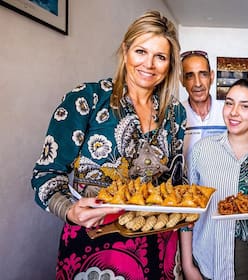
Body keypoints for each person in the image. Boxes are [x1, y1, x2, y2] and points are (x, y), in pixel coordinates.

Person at [31, 10, 186, 279]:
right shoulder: (87, 99)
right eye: (141, 51)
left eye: (160, 57)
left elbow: (174, 183)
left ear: (170, 64)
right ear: (125, 50)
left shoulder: (175, 112)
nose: (149, 64)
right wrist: (69, 211)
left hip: (159, 246)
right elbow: (46, 174)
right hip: (95, 244)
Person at [180, 79, 248, 280]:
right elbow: (187, 210)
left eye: (245, 106)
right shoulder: (202, 150)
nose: (234, 112)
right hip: (207, 262)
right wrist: (187, 265)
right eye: (229, 103)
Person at [180, 50, 226, 171]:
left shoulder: (227, 111)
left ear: (211, 77)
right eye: (190, 76)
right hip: (186, 189)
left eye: (203, 74)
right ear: (182, 80)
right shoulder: (175, 114)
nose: (198, 83)